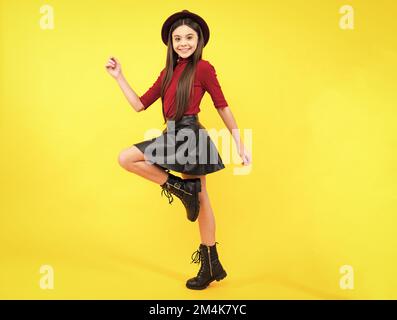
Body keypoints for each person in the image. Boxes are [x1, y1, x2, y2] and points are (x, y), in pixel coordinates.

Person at [105, 9, 251, 290]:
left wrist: (239, 143)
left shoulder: (204, 68)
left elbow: (222, 105)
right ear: (171, 43)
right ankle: (182, 190)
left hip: (191, 134)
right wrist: (119, 77)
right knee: (127, 158)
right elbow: (138, 104)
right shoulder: (168, 72)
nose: (183, 43)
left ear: (199, 40)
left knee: (203, 198)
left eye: (189, 37)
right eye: (177, 39)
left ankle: (210, 263)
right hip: (172, 133)